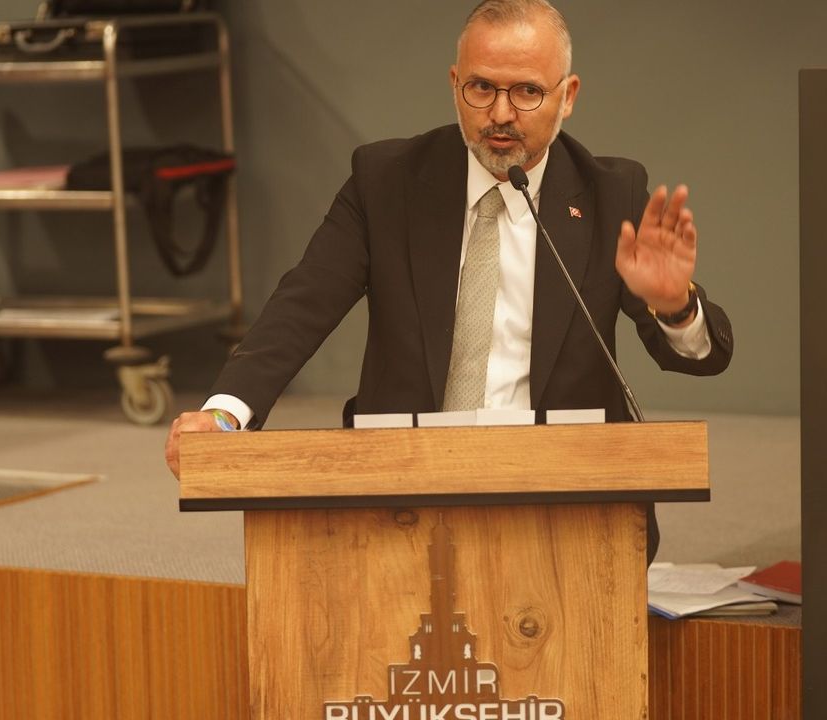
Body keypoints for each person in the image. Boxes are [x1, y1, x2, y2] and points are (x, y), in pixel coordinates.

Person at [164, 0, 733, 557]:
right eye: (481, 88)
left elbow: (702, 357)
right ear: (455, 84)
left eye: (527, 91)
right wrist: (224, 414)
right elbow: (302, 304)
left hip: (564, 491)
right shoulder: (385, 181)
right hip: (404, 485)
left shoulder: (611, 193)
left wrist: (674, 306)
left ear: (568, 96)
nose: (501, 113)